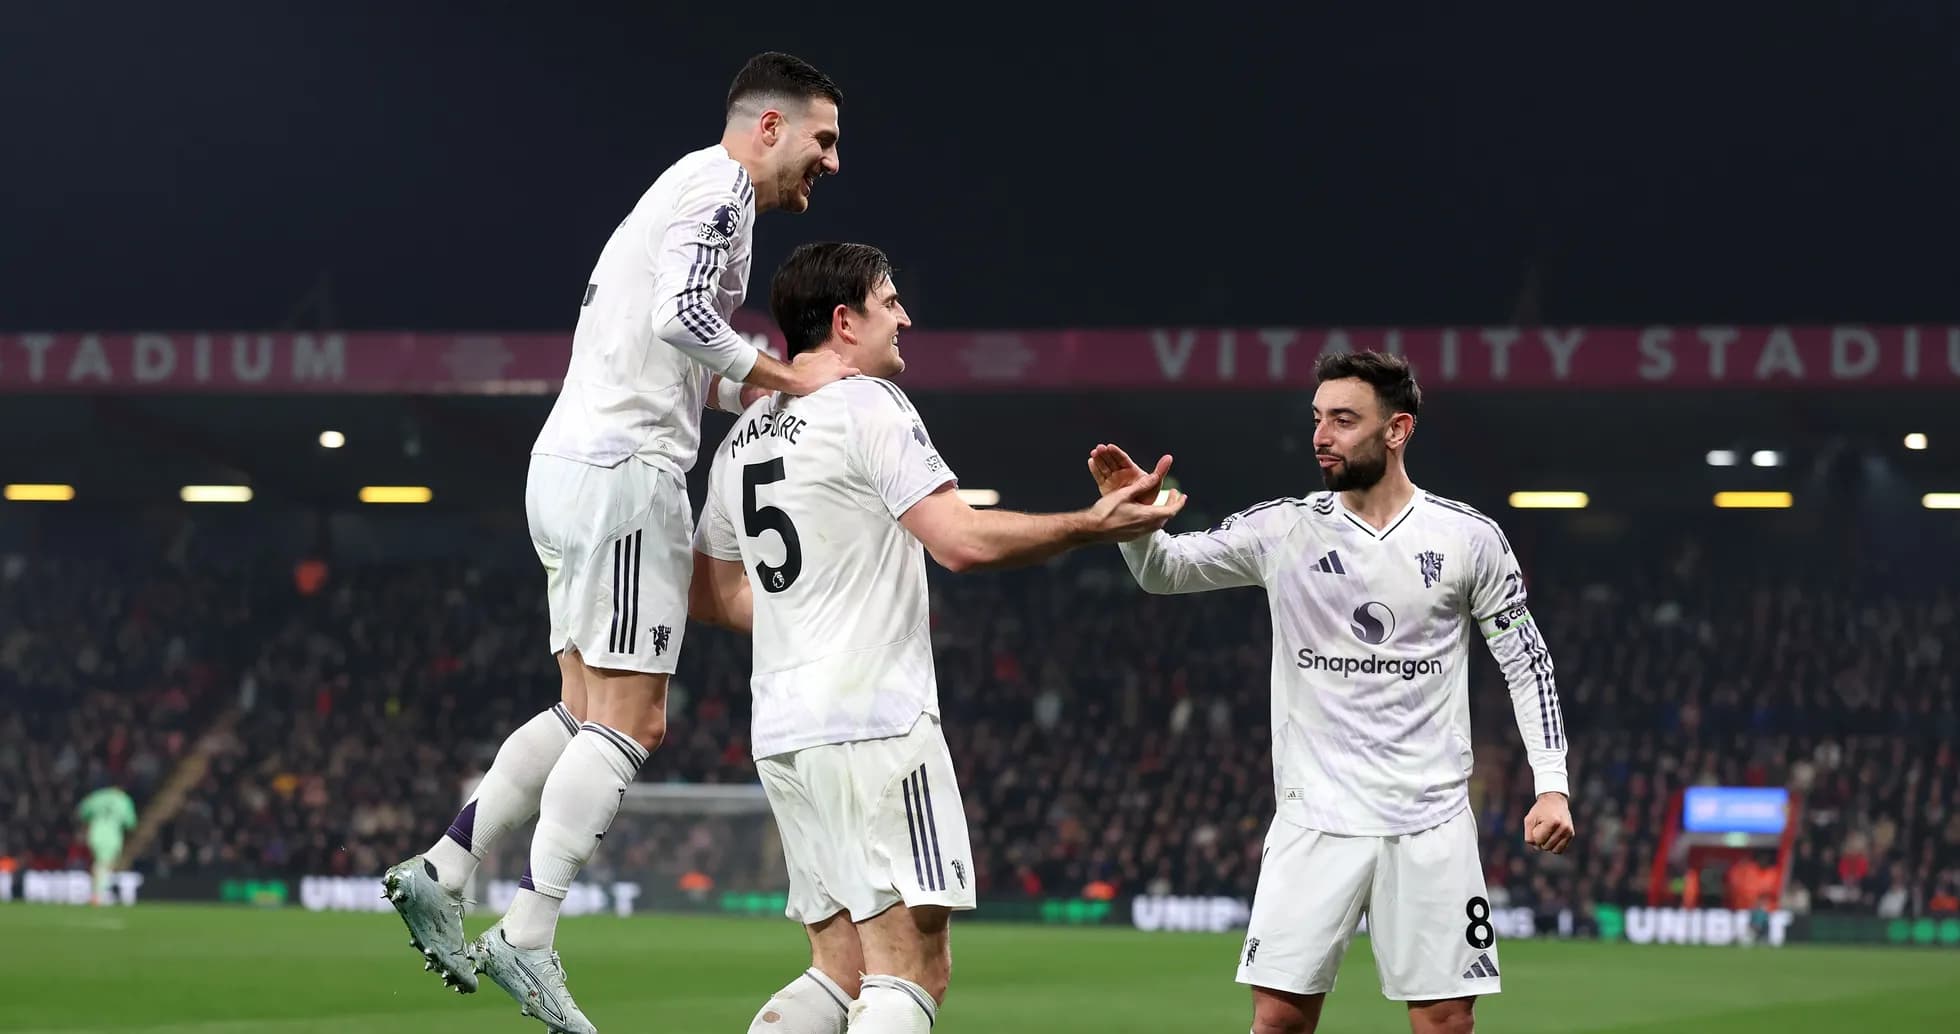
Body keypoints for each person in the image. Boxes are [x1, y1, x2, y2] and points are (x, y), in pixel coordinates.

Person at [383, 52, 856, 1034]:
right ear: (767, 127)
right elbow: (680, 319)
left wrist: (772, 385)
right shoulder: (720, 191)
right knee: (633, 722)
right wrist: (796, 379)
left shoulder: (681, 194)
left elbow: (686, 358)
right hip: (628, 472)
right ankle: (527, 930)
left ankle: (443, 866)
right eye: (823, 139)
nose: (831, 162)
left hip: (568, 464)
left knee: (580, 705)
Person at [688, 241, 1185, 1034]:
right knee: (911, 968)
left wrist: (808, 608)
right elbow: (959, 540)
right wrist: (1091, 525)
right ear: (844, 321)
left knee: (838, 968)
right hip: (875, 721)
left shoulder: (744, 435)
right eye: (891, 302)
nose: (905, 317)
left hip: (783, 730)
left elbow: (709, 594)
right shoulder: (869, 406)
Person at [1087, 350, 1576, 1034]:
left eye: (1344, 420)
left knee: (1446, 1023)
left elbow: (1529, 663)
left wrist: (1550, 784)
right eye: (1318, 418)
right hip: (1314, 817)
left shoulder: (1468, 540)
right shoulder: (1282, 528)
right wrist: (1136, 525)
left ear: (1396, 429)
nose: (1322, 435)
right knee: (1280, 1020)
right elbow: (1165, 572)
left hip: (1431, 822)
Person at [75, 780, 136, 906]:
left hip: (95, 833)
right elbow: (130, 822)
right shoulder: (123, 799)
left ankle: (97, 893)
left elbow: (82, 812)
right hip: (112, 835)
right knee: (104, 864)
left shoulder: (97, 796)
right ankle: (97, 895)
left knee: (100, 863)